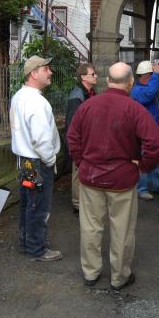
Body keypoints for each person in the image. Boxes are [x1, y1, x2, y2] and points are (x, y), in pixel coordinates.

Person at [66, 62, 159, 290]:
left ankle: (91, 273)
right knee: (121, 230)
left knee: (90, 228)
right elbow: (156, 142)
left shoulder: (88, 106)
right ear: (130, 82)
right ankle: (119, 277)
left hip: (90, 179)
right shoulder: (134, 109)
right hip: (121, 181)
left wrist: (83, 162)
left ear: (107, 80)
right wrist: (143, 166)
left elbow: (72, 138)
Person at [10, 55, 62, 262]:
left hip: (25, 160)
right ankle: (37, 249)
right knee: (39, 205)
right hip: (38, 162)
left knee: (27, 202)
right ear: (34, 73)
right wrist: (50, 161)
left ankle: (26, 242)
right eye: (46, 69)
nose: (50, 72)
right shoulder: (37, 102)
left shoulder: (18, 97)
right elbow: (41, 140)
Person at [65, 63, 98, 212]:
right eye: (93, 74)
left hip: (90, 141)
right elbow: (72, 125)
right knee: (78, 174)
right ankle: (77, 205)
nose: (96, 76)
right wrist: (76, 147)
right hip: (81, 143)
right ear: (83, 77)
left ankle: (86, 201)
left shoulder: (91, 93)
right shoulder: (77, 96)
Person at [131, 59, 159, 200]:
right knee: (144, 158)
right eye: (151, 76)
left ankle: (156, 184)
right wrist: (156, 75)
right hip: (143, 132)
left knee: (154, 157)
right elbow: (150, 93)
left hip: (152, 129)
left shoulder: (140, 88)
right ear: (146, 76)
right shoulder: (137, 91)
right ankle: (141, 188)